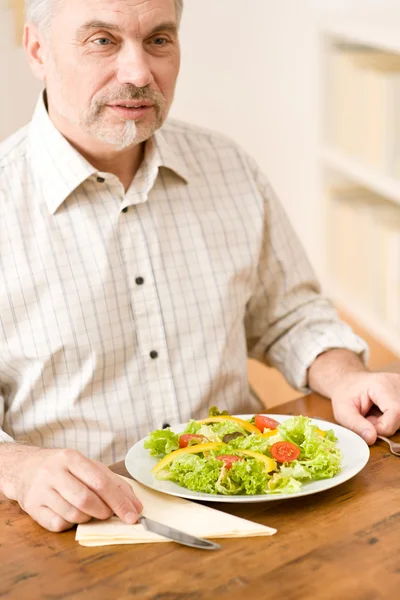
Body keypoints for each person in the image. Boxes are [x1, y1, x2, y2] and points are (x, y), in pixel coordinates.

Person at [0, 0, 399, 533]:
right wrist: (17, 467)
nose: (140, 72)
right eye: (102, 41)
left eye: (160, 40)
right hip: (80, 530)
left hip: (255, 500)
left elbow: (290, 314)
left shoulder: (228, 166)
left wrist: (347, 375)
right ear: (38, 50)